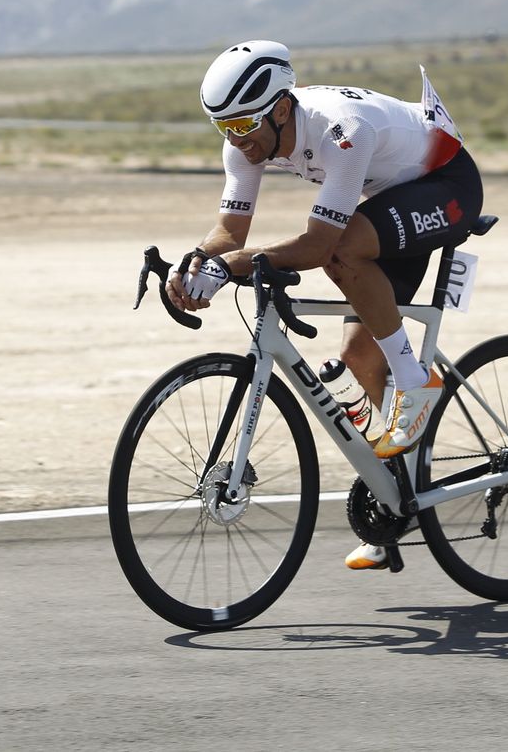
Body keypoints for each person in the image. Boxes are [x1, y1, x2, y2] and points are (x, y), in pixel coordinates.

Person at [166, 40, 483, 571]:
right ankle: (394, 506)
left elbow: (317, 246)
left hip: (445, 185)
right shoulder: (246, 140)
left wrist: (234, 266)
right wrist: (196, 263)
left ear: (282, 109)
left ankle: (417, 381)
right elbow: (230, 230)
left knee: (342, 250)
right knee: (359, 360)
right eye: (225, 129)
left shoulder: (342, 129)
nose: (236, 141)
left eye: (244, 127)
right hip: (389, 201)